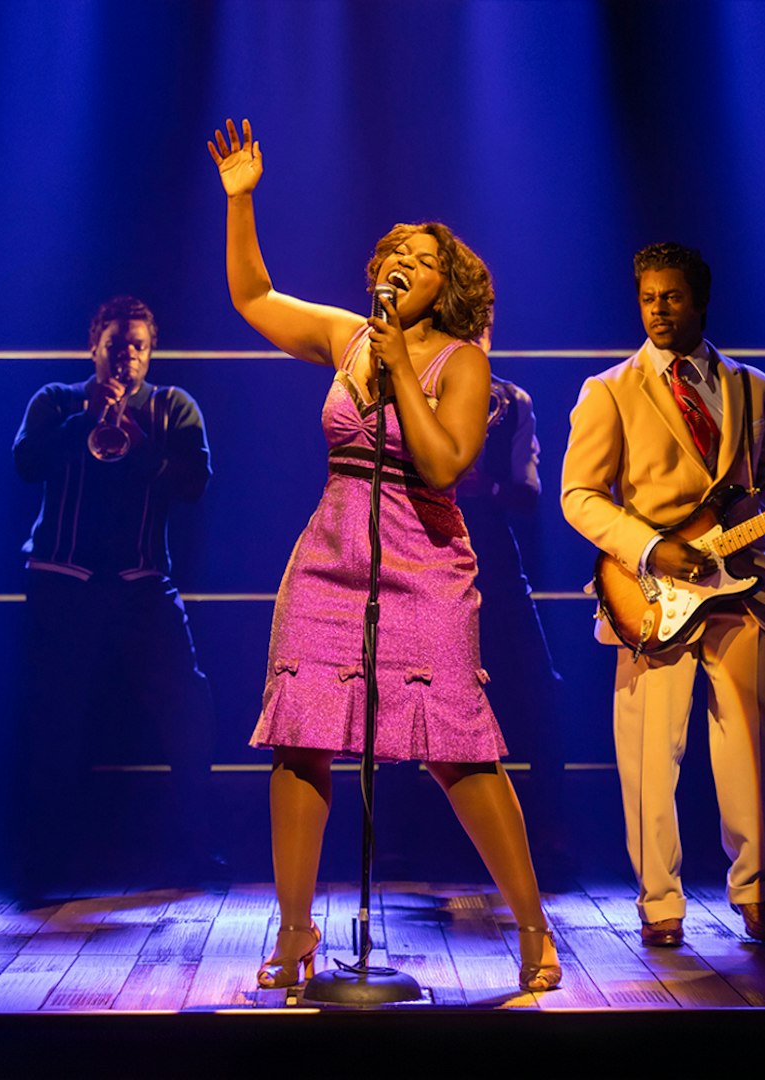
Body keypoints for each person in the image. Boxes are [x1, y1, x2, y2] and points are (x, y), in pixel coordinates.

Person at [209, 118, 559, 992]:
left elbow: (443, 464)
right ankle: (296, 931)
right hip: (328, 560)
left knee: (458, 747)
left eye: (422, 258)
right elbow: (255, 297)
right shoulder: (346, 337)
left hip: (425, 562)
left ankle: (531, 924)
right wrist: (242, 201)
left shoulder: (461, 362)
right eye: (394, 252)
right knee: (300, 737)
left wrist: (402, 364)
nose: (402, 262)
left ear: (448, 286)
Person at [560, 243, 765, 945]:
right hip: (650, 589)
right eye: (647, 298)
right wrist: (648, 546)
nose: (658, 310)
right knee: (650, 752)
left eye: (671, 297)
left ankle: (756, 890)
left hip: (743, 580)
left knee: (753, 741)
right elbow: (579, 494)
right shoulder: (610, 389)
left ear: (700, 299)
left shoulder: (753, 387)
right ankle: (659, 903)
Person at [12, 295, 215, 898]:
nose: (127, 355)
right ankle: (44, 859)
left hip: (142, 583)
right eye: (116, 344)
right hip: (62, 580)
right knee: (53, 720)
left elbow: (194, 485)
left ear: (151, 353)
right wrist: (85, 422)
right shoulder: (55, 400)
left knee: (188, 709)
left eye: (138, 346)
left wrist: (140, 443)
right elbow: (26, 464)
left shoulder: (173, 406)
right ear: (93, 347)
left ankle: (192, 847)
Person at [453, 347, 568, 876]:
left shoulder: (512, 401)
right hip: (429, 552)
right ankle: (398, 844)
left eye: (482, 324)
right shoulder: (417, 388)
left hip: (495, 557)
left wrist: (489, 486)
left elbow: (529, 492)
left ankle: (552, 835)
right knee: (412, 685)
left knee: (541, 687)